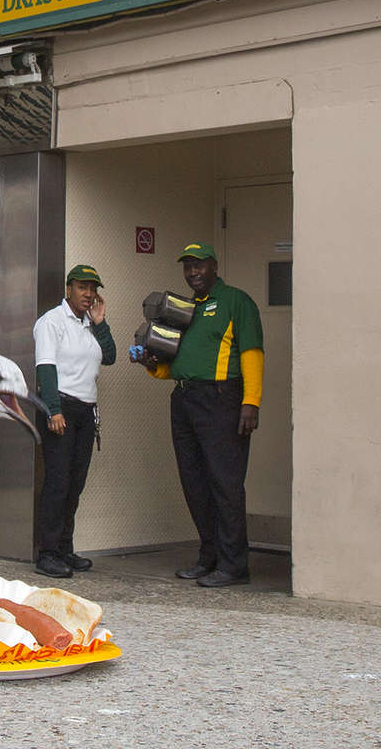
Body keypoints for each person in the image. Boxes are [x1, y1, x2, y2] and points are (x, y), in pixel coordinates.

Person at [132, 241, 263, 588]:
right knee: (194, 483)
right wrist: (150, 365)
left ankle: (234, 565)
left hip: (222, 398)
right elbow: (170, 368)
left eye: (199, 265)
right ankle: (210, 557)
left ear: (214, 266)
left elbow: (251, 352)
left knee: (225, 483)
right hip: (185, 398)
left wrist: (251, 402)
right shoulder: (185, 310)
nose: (193, 272)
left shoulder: (237, 301)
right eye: (188, 267)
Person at [32, 264, 116, 579]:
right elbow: (46, 367)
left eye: (93, 289)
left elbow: (109, 356)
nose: (89, 294)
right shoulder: (51, 322)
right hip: (60, 409)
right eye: (83, 287)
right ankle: (48, 553)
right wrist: (53, 410)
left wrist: (100, 323)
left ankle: (65, 549)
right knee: (58, 483)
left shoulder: (88, 323)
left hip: (85, 412)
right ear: (69, 289)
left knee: (75, 484)